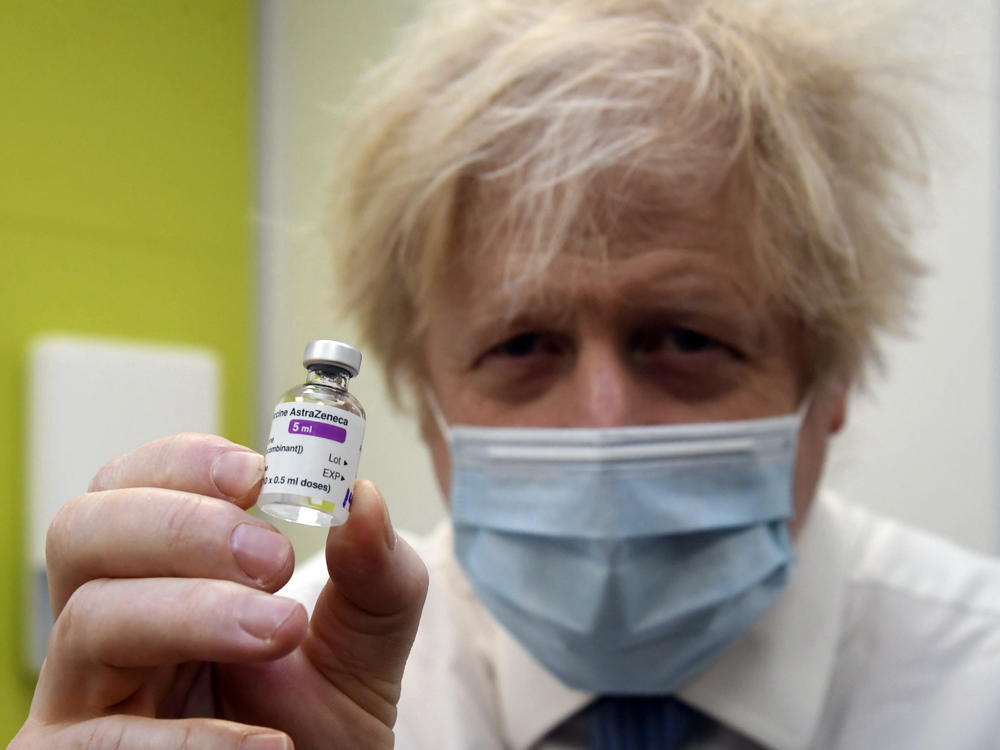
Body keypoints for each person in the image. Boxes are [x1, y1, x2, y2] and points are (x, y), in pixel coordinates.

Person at [13, 0, 1000, 748]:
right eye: (522, 346)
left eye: (685, 338)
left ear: (827, 384)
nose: (600, 425)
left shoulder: (977, 680)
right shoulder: (264, 666)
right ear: (427, 405)